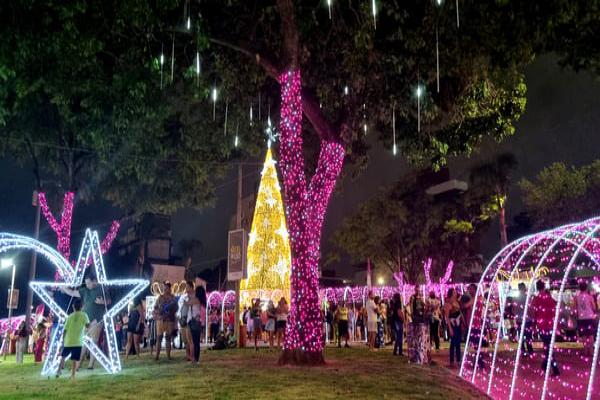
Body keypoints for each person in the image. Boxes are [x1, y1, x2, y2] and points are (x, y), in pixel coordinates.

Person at [61, 275, 111, 370]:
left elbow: (109, 301)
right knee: (83, 342)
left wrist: (103, 302)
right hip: (85, 321)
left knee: (94, 342)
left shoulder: (101, 289)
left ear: (94, 281)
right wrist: (64, 288)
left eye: (89, 283)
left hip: (96, 320)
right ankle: (78, 365)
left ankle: (90, 365)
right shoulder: (85, 290)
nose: (87, 285)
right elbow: (72, 292)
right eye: (86, 283)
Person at [531, 280, 559, 376]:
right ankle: (545, 365)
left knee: (547, 348)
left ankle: (554, 369)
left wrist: (534, 326)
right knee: (548, 346)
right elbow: (556, 307)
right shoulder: (549, 298)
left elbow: (533, 313)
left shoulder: (536, 298)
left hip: (542, 326)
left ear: (537, 287)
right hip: (550, 325)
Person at [58, 300, 89, 379]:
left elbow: (65, 329)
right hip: (78, 342)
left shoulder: (70, 316)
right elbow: (87, 325)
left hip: (68, 341)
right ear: (82, 307)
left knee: (63, 356)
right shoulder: (84, 315)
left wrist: (63, 339)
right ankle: (73, 375)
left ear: (73, 307)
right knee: (74, 359)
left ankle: (58, 371)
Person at [154, 281, 179, 361]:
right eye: (164, 288)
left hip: (170, 320)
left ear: (169, 288)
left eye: (167, 288)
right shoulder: (160, 298)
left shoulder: (173, 298)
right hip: (160, 320)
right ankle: (157, 355)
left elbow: (176, 308)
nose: (165, 289)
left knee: (168, 338)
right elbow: (155, 308)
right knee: (159, 338)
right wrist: (157, 313)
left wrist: (171, 310)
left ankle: (168, 356)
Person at [574, 281, 598, 356]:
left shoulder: (576, 297)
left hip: (581, 318)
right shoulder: (589, 296)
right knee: (591, 335)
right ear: (586, 288)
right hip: (590, 317)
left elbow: (575, 309)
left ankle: (585, 351)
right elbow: (594, 307)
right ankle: (591, 351)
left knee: (583, 335)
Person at [407, 291, 430, 364]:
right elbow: (411, 307)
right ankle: (416, 352)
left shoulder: (421, 300)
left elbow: (425, 306)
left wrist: (427, 306)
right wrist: (411, 314)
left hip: (420, 318)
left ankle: (421, 352)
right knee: (416, 334)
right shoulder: (413, 298)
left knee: (420, 334)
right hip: (415, 317)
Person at [444, 288, 463, 368]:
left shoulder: (457, 302)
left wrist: (464, 322)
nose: (456, 293)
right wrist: (450, 328)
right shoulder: (448, 304)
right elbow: (447, 317)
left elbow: (460, 313)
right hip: (453, 325)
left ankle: (458, 360)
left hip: (458, 325)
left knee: (458, 343)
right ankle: (452, 361)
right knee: (453, 343)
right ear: (451, 293)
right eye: (454, 292)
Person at [513, 282, 533, 356]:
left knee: (521, 336)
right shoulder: (528, 297)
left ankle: (523, 351)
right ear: (524, 288)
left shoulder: (516, 299)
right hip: (527, 319)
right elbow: (530, 309)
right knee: (528, 336)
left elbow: (514, 310)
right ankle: (530, 350)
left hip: (519, 320)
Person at [189, 285, 207, 365]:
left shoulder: (196, 300)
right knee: (196, 342)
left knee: (194, 341)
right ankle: (196, 359)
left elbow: (188, 304)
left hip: (194, 322)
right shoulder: (202, 302)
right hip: (199, 323)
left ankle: (195, 359)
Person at [180, 281, 194, 361]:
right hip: (183, 320)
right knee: (185, 340)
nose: (186, 289)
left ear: (191, 287)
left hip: (190, 321)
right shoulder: (185, 297)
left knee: (190, 340)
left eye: (188, 287)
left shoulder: (194, 297)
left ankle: (192, 356)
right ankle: (188, 355)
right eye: (186, 287)